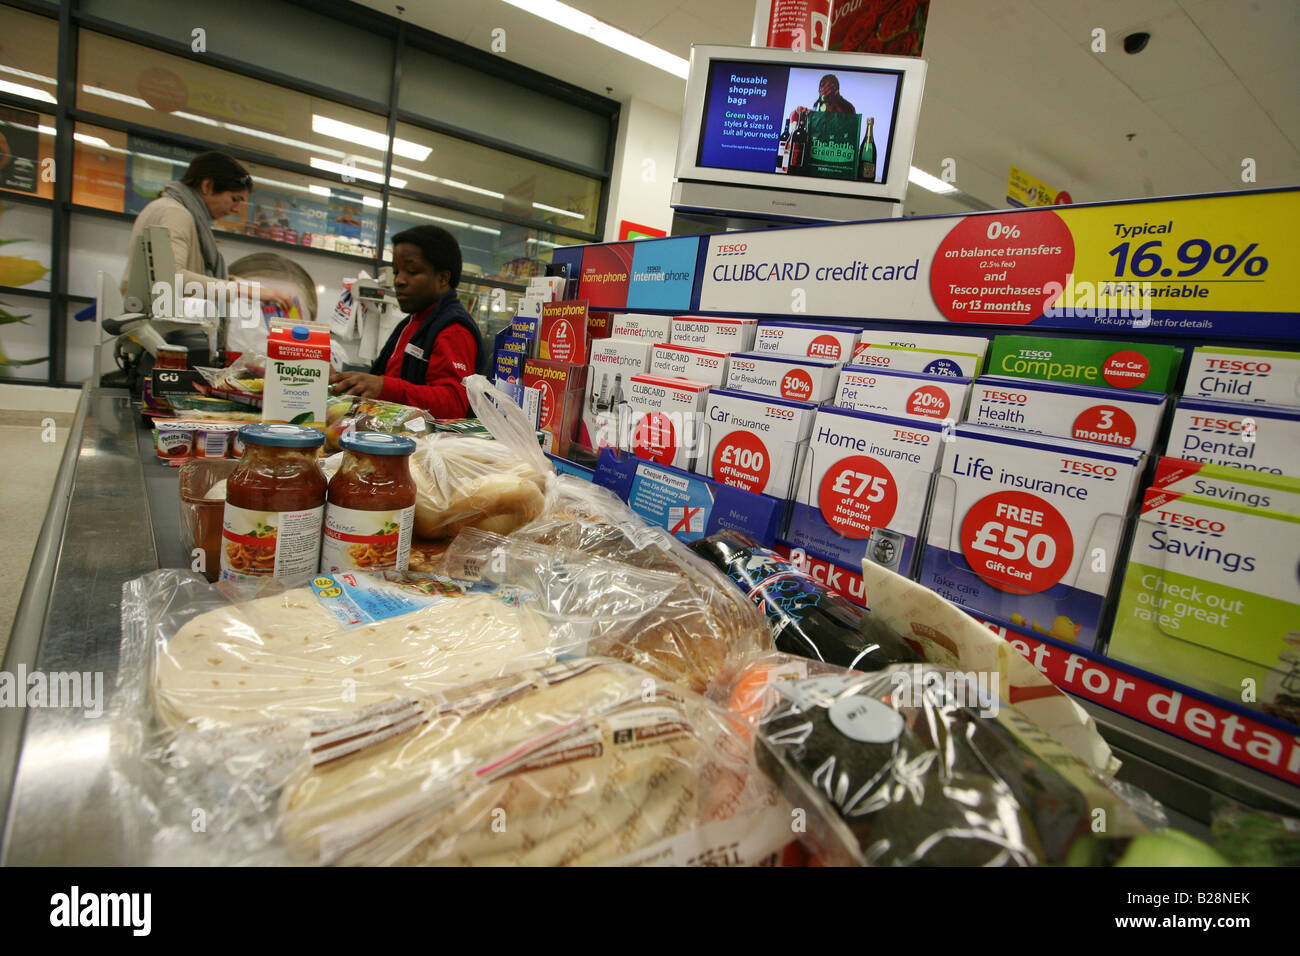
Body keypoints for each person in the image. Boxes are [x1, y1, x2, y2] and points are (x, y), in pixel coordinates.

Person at [329, 225, 482, 418]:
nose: (399, 280)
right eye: (396, 271)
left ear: (443, 278)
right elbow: (389, 379)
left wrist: (384, 387)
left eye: (411, 271)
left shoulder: (453, 329)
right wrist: (344, 380)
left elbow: (454, 402)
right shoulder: (414, 321)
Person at [121, 150, 291, 310]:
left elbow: (189, 273)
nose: (237, 209)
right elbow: (171, 278)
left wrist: (249, 287)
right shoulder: (175, 213)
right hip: (162, 326)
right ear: (207, 186)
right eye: (234, 199)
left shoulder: (179, 211)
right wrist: (242, 290)